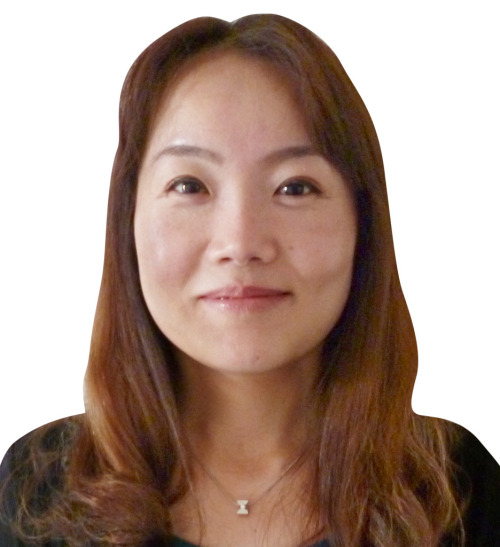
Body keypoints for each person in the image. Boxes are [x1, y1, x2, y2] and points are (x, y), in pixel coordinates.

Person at [1, 13, 499, 547]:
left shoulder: (455, 489)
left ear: (364, 224)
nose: (240, 243)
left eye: (295, 187)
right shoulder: (39, 487)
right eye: (189, 185)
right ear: (128, 222)